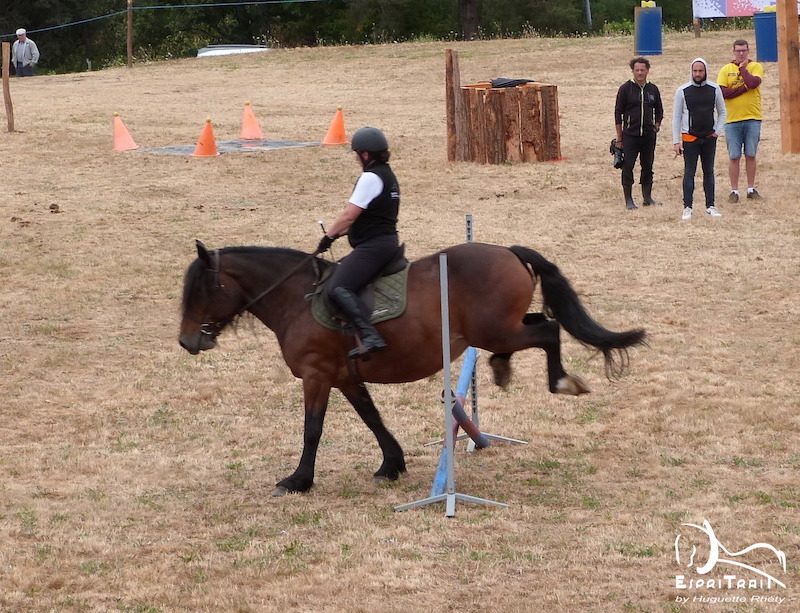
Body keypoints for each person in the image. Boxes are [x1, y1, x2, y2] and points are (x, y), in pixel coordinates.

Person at [315, 126, 401, 358]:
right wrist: (338, 235)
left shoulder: (370, 178)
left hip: (375, 247)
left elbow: (349, 216)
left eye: (357, 155)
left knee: (338, 287)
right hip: (385, 242)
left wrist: (328, 237)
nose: (356, 159)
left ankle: (370, 336)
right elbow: (371, 217)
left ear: (365, 154)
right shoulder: (388, 175)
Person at [672, 58, 726, 221]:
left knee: (709, 171)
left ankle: (710, 206)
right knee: (689, 172)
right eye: (695, 71)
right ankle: (687, 207)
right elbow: (676, 117)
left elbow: (722, 112)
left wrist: (717, 131)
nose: (697, 74)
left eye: (700, 71)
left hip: (709, 137)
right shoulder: (682, 91)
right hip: (690, 137)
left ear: (706, 71)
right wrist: (676, 141)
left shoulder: (714, 89)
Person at [614, 56, 664, 210]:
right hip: (630, 135)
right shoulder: (625, 89)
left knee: (648, 166)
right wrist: (620, 137)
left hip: (648, 135)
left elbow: (659, 110)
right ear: (633, 71)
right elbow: (618, 113)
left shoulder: (653, 89)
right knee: (628, 166)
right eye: (637, 70)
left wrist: (656, 126)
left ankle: (647, 197)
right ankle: (628, 199)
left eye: (642, 70)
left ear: (648, 71)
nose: (640, 73)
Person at [717, 39, 764, 203]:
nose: (741, 53)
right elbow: (723, 93)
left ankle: (751, 188)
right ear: (733, 51)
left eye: (744, 50)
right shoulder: (726, 70)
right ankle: (734, 190)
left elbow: (753, 82)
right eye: (738, 50)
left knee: (751, 154)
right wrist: (743, 88)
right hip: (732, 120)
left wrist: (743, 68)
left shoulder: (755, 66)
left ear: (748, 51)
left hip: (752, 118)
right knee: (734, 156)